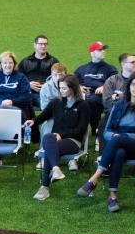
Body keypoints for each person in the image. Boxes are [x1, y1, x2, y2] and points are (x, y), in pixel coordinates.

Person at [77, 73, 135, 212]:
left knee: (118, 139)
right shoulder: (118, 105)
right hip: (118, 145)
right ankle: (112, 197)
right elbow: (107, 131)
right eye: (133, 84)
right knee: (119, 152)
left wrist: (122, 136)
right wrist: (116, 137)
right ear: (128, 87)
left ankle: (95, 177)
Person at [27, 74, 91, 202]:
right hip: (54, 139)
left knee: (48, 146)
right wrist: (33, 121)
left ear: (73, 88)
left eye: (64, 88)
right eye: (60, 88)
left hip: (73, 141)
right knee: (49, 140)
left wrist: (62, 135)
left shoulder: (83, 105)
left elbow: (81, 130)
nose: (61, 91)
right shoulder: (56, 101)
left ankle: (44, 187)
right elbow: (43, 116)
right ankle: (56, 169)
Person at [73, 41, 116, 139]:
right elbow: (72, 81)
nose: (103, 51)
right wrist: (78, 86)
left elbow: (115, 81)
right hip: (85, 96)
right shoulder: (82, 69)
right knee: (87, 102)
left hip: (102, 97)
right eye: (100, 50)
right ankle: (93, 129)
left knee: (91, 101)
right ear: (92, 53)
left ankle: (92, 129)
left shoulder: (110, 69)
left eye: (104, 49)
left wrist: (105, 86)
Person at [100, 52, 135, 127]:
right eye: (133, 62)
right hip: (113, 114)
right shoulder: (112, 81)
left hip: (134, 115)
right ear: (123, 64)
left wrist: (119, 97)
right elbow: (107, 102)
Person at [18, 34, 59, 107]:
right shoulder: (25, 61)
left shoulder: (54, 61)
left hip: (47, 92)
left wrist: (46, 86)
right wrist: (28, 84)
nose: (43, 46)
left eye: (45, 44)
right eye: (40, 44)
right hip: (28, 92)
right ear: (35, 45)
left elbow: (59, 78)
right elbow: (18, 79)